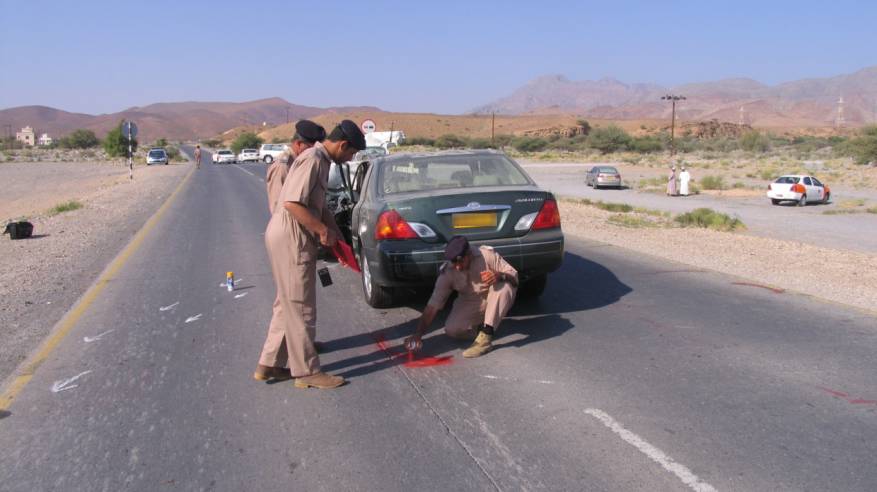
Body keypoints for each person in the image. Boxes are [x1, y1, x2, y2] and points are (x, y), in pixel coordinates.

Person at [255, 120, 365, 388]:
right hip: (291, 236)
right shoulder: (314, 159)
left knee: (287, 303)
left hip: (287, 234)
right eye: (350, 154)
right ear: (343, 145)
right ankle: (306, 372)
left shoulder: (319, 159)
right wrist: (321, 231)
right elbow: (293, 202)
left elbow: (316, 204)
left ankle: (268, 364)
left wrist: (334, 231)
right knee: (301, 306)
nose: (349, 159)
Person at [404, 236, 518, 359]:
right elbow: (432, 306)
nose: (457, 267)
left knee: (504, 286)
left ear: (469, 254)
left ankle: (486, 337)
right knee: (452, 329)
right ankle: (482, 328)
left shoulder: (486, 255)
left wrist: (499, 276)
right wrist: (418, 334)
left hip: (495, 296)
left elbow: (515, 279)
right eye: (454, 263)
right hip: (472, 302)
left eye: (461, 261)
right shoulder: (447, 272)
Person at [266, 120, 327, 214]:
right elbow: (277, 206)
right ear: (299, 144)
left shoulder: (304, 162)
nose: (314, 152)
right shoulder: (282, 166)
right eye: (311, 148)